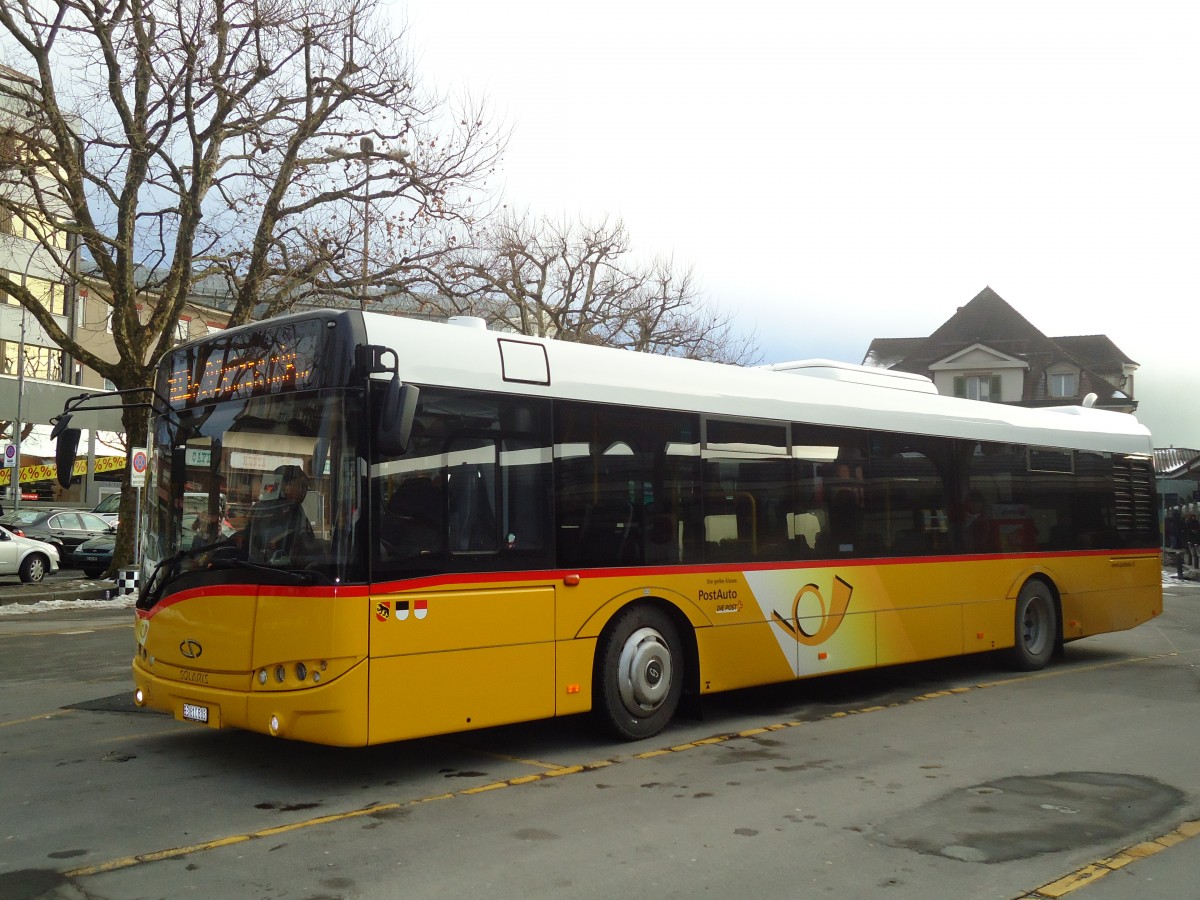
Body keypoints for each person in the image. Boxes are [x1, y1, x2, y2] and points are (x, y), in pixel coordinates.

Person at [247, 465, 315, 563]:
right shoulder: (266, 509)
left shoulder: (296, 508)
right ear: (284, 486)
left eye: (306, 488)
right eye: (302, 486)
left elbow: (308, 542)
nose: (305, 491)